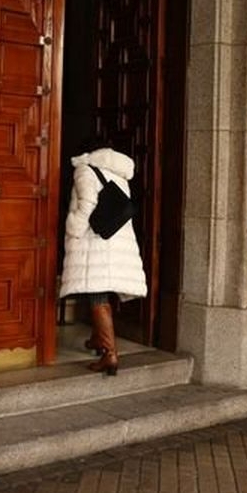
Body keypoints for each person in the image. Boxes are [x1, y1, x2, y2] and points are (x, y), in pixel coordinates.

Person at [57, 144, 148, 376]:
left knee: (96, 294)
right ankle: (98, 340)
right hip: (114, 243)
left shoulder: (85, 169)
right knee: (99, 292)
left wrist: (73, 228)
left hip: (94, 242)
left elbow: (88, 203)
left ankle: (110, 354)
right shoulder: (118, 173)